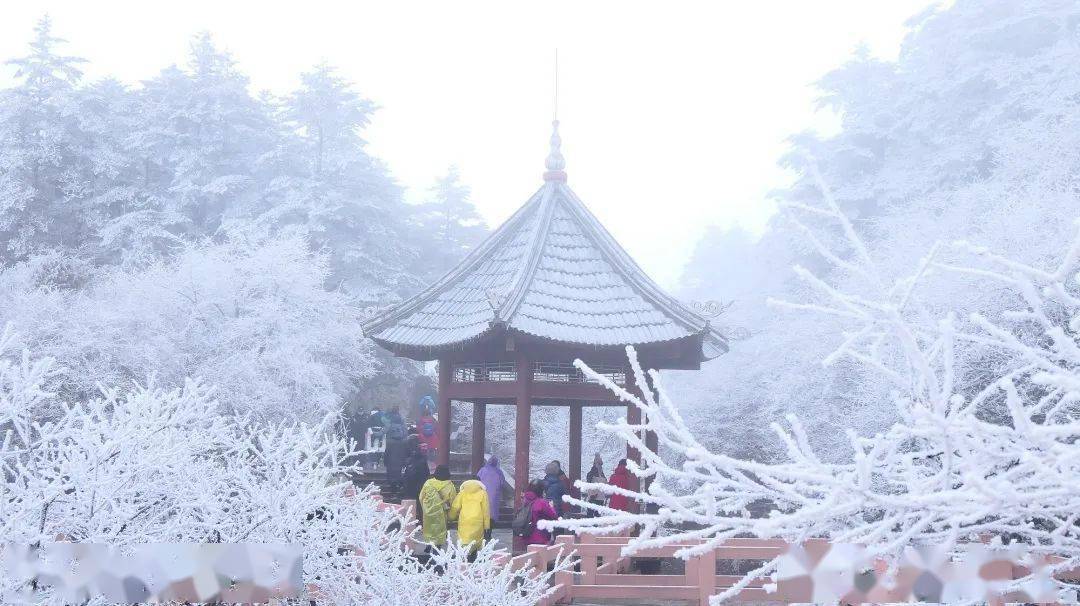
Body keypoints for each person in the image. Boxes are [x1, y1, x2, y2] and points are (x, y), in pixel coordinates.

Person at [449, 479, 491, 556]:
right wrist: (487, 526)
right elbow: (486, 510)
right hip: (477, 520)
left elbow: (455, 506)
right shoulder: (483, 493)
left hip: (464, 520)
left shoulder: (462, 492)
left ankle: (464, 558)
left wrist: (451, 517)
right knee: (476, 540)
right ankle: (473, 556)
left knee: (464, 539)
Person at [419, 465, 457, 549]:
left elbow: (421, 497)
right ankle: (438, 547)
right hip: (441, 511)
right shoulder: (450, 485)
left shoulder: (428, 483)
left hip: (428, 511)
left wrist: (425, 508)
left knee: (429, 528)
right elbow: (453, 500)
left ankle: (428, 545)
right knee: (439, 530)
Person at [519, 480, 557, 546]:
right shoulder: (541, 502)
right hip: (540, 537)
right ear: (541, 490)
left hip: (526, 534)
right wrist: (551, 506)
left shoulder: (525, 500)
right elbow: (553, 516)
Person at [401, 438, 430, 514]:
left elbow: (405, 474)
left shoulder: (409, 460)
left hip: (409, 487)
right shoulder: (422, 461)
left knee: (410, 507)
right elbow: (426, 474)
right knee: (419, 505)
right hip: (419, 486)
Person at [383, 408, 408, 488]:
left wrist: (385, 462)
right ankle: (399, 485)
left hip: (391, 456)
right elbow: (406, 433)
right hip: (400, 452)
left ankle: (392, 486)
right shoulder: (402, 425)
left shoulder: (390, 425)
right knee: (399, 472)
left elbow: (386, 453)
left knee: (391, 472)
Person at [476, 454, 504, 523]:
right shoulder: (499, 472)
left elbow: (477, 480)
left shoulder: (483, 470)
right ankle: (490, 526)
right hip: (494, 495)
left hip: (483, 493)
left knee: (483, 508)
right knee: (492, 511)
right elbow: (502, 483)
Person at [417, 395, 440, 463]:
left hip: (423, 437)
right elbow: (436, 428)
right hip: (432, 437)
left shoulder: (420, 420)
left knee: (424, 450)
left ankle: (425, 460)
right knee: (431, 450)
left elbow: (418, 429)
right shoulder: (432, 419)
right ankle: (431, 461)